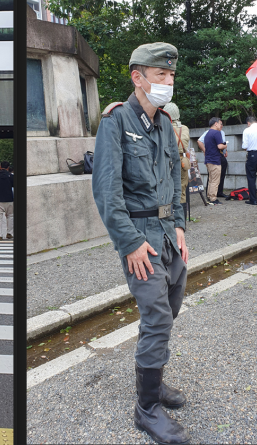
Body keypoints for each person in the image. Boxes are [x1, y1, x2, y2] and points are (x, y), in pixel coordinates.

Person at [92, 42, 190, 445]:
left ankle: (156, 381)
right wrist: (129, 242)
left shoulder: (165, 123)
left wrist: (181, 225)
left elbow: (175, 182)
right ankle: (147, 408)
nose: (168, 81)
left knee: (169, 310)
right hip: (141, 241)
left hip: (169, 235)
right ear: (138, 77)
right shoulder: (116, 122)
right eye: (160, 74)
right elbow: (106, 192)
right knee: (156, 317)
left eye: (171, 75)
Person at [163, 103, 190, 219]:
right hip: (182, 160)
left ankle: (168, 219)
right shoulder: (184, 128)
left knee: (166, 189)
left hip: (166, 160)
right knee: (182, 191)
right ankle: (181, 221)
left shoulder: (163, 127)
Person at [197, 125, 227, 198]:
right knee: (214, 178)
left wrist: (225, 150)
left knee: (217, 176)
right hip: (214, 157)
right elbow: (199, 141)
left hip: (219, 155)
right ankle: (212, 197)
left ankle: (217, 192)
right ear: (215, 124)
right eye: (220, 124)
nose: (221, 126)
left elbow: (222, 143)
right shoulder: (211, 132)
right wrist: (205, 150)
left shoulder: (221, 132)